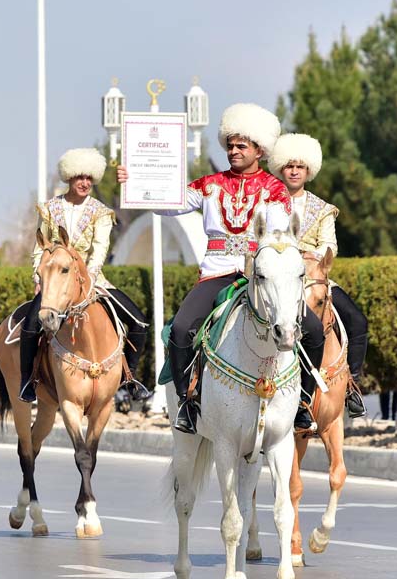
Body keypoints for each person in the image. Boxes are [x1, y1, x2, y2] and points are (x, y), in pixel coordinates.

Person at [119, 103, 323, 433]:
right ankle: (186, 403)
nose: (233, 150)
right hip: (215, 274)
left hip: (259, 278)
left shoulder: (274, 190)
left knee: (312, 330)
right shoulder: (209, 184)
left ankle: (302, 404)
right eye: (229, 145)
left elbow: (277, 235)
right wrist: (134, 184)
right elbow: (169, 204)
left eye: (241, 145)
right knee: (182, 328)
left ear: (259, 149)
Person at [19, 147, 150, 404]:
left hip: (92, 280)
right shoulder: (49, 209)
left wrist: (88, 278)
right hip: (55, 282)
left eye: (90, 178)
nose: (85, 183)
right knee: (30, 326)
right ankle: (27, 382)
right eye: (80, 177)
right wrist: (40, 279)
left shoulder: (101, 212)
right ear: (69, 178)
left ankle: (129, 378)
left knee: (139, 322)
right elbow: (40, 249)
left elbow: (101, 248)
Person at [269, 132, 368, 418]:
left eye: (300, 166)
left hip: (314, 277)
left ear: (308, 170)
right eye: (289, 166)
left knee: (357, 321)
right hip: (279, 280)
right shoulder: (268, 203)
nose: (295, 171)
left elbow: (330, 246)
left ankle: (351, 385)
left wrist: (312, 257)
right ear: (281, 169)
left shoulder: (323, 209)